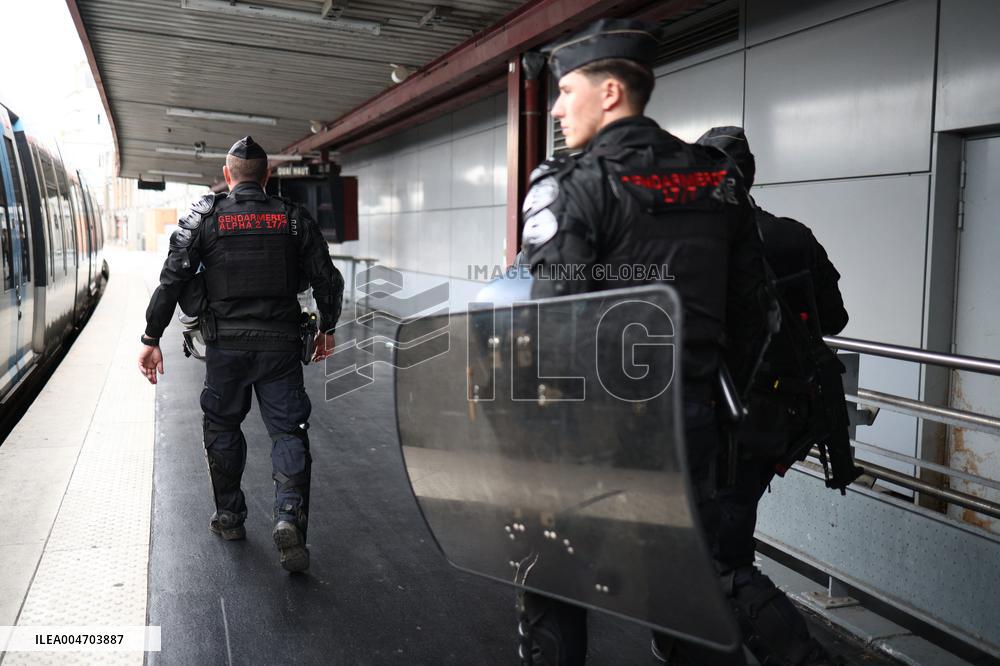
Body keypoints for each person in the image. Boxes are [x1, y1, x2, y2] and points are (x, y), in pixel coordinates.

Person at [518, 19, 774, 666]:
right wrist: (711, 398)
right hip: (691, 423)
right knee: (689, 588)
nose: (556, 109)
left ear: (609, 93)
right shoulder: (716, 180)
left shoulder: (573, 181)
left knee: (554, 574)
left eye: (565, 91)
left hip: (590, 426)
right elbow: (753, 314)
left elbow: (551, 326)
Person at [137, 136, 344, 573]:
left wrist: (151, 337)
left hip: (225, 349)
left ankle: (230, 517)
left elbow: (172, 280)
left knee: (222, 425)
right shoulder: (292, 218)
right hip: (280, 348)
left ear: (227, 176)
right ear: (267, 176)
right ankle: (288, 518)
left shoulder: (204, 219)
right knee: (288, 432)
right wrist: (327, 328)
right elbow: (327, 279)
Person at [696, 127, 849, 666]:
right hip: (781, 417)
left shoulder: (701, 246)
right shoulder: (793, 236)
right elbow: (835, 318)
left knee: (722, 558)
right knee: (712, 542)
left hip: (724, 422)